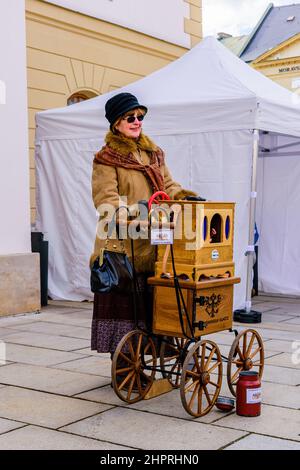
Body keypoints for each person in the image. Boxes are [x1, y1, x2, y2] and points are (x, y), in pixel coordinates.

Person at [90, 92, 198, 357]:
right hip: (123, 244)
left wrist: (185, 197)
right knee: (130, 305)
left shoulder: (154, 154)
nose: (137, 121)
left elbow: (169, 186)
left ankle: (159, 345)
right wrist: (133, 215)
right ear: (116, 123)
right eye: (130, 117)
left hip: (155, 239)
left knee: (157, 295)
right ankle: (128, 358)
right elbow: (106, 200)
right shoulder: (106, 158)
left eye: (140, 116)